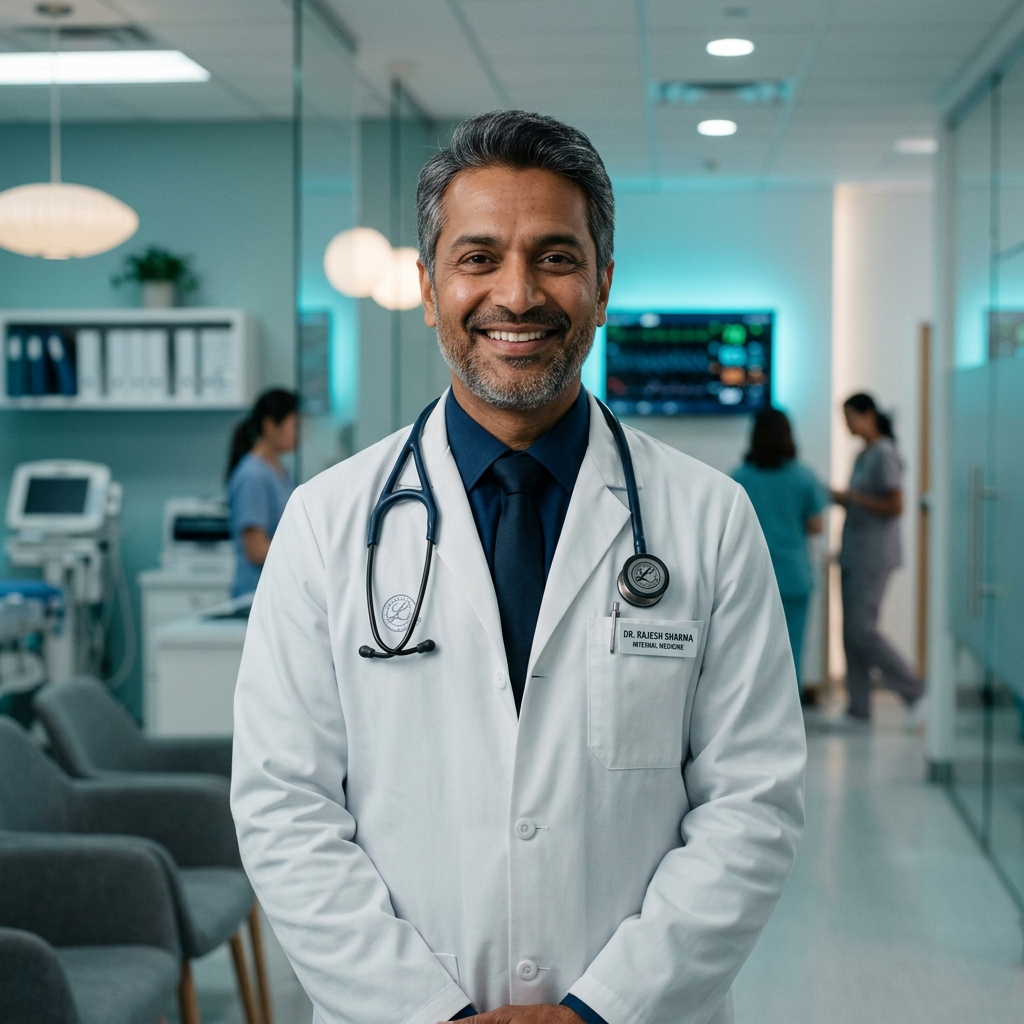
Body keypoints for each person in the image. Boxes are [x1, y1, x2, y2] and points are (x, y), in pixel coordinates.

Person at [231, 111, 805, 1024]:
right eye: (478, 257)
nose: (517, 293)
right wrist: (430, 1014)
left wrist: (599, 1010)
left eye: (555, 257)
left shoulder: (708, 519)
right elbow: (284, 808)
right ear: (429, 289)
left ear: (602, 285)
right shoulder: (326, 523)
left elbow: (753, 803)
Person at [833, 392, 925, 722]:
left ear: (868, 414)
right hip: (854, 553)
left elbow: (895, 505)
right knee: (850, 634)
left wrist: (853, 497)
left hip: (873, 556)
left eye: (849, 418)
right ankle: (858, 708)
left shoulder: (885, 453)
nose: (847, 425)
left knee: (863, 630)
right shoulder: (864, 454)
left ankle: (915, 690)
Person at [731, 408, 827, 699]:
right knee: (792, 649)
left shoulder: (740, 478)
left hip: (752, 577)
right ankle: (789, 712)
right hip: (794, 576)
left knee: (751, 650)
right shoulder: (803, 477)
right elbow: (816, 525)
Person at [225, 388, 298, 598]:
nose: (299, 434)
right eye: (294, 425)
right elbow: (255, 550)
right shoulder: (253, 475)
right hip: (255, 594)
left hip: (279, 591)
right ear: (270, 425)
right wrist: (306, 550)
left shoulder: (282, 473)